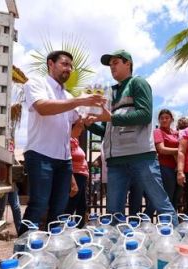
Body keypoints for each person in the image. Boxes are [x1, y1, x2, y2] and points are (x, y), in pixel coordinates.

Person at [19, 50, 105, 235]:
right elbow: (42, 107)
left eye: (70, 66)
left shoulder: (67, 95)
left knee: (60, 209)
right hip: (40, 154)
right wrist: (79, 100)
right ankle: (22, 252)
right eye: (64, 64)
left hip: (64, 160)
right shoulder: (36, 83)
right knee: (39, 205)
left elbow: (78, 123)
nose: (68, 69)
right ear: (50, 63)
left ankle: (52, 251)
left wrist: (93, 113)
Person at [86, 49, 177, 223]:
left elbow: (144, 115)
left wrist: (112, 117)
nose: (112, 67)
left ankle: (174, 245)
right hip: (116, 161)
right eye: (110, 64)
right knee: (113, 212)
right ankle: (117, 247)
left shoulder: (138, 83)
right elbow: (106, 131)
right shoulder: (110, 93)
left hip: (141, 157)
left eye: (115, 62)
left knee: (161, 204)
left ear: (128, 63)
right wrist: (89, 125)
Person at [149, 109, 181, 214]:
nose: (164, 120)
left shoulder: (176, 133)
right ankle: (163, 224)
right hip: (165, 168)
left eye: (167, 118)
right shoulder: (158, 132)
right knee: (167, 197)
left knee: (176, 198)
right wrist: (180, 151)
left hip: (178, 169)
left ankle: (173, 223)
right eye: (162, 118)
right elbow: (161, 149)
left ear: (171, 119)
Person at [65, 119, 89, 228]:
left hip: (81, 177)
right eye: (79, 126)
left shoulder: (75, 140)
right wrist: (72, 181)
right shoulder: (67, 140)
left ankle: (79, 231)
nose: (82, 129)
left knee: (81, 207)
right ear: (72, 126)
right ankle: (64, 231)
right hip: (75, 176)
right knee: (70, 206)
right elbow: (66, 160)